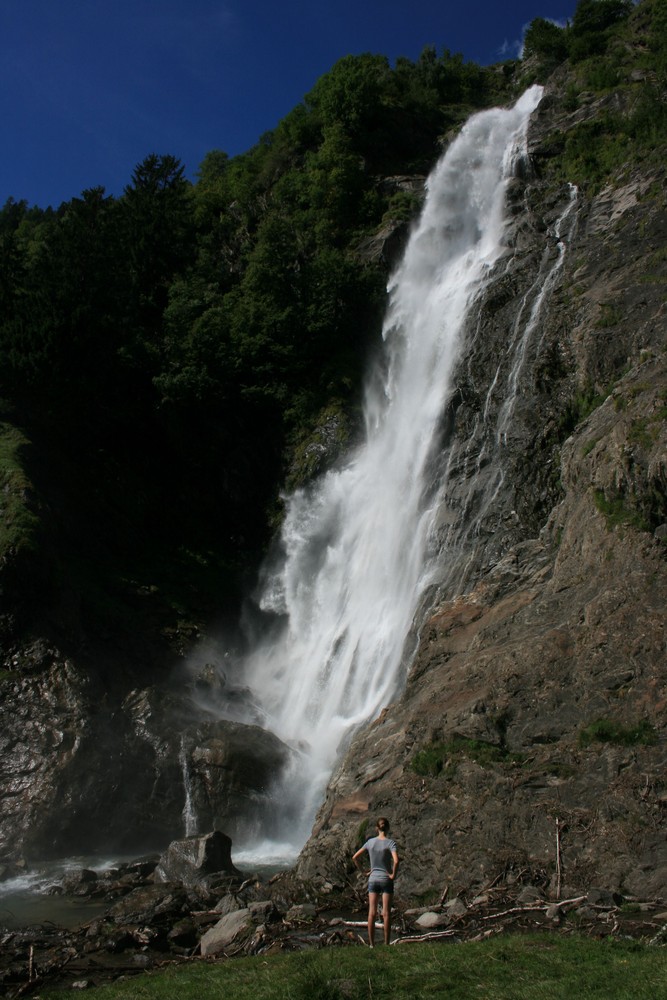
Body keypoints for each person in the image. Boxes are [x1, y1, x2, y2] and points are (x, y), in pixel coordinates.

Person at [352, 816, 399, 947]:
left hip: (373, 879)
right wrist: (393, 874)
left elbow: (355, 857)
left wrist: (363, 872)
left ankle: (372, 944)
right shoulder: (391, 843)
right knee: (386, 913)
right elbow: (396, 861)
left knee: (371, 913)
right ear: (388, 828)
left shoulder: (370, 843)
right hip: (385, 879)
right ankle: (386, 943)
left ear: (376, 828)